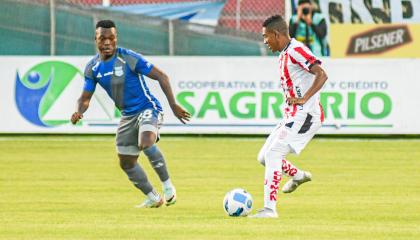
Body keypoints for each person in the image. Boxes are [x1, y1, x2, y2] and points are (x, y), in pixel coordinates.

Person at [70, 20, 190, 208]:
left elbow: (161, 76)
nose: (107, 42)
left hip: (147, 108)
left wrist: (173, 105)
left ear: (116, 39)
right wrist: (79, 111)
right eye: (103, 38)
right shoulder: (92, 68)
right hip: (127, 116)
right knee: (126, 162)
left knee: (146, 141)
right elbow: (85, 97)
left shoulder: (129, 58)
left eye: (111, 38)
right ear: (96, 39)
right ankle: (153, 197)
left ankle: (168, 187)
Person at [249, 15, 328, 218]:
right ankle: (299, 176)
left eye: (266, 36)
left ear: (277, 34)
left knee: (274, 154)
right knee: (263, 157)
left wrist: (305, 99)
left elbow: (322, 74)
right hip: (292, 115)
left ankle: (269, 209)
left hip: (306, 115)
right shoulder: (284, 53)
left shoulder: (296, 50)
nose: (265, 41)